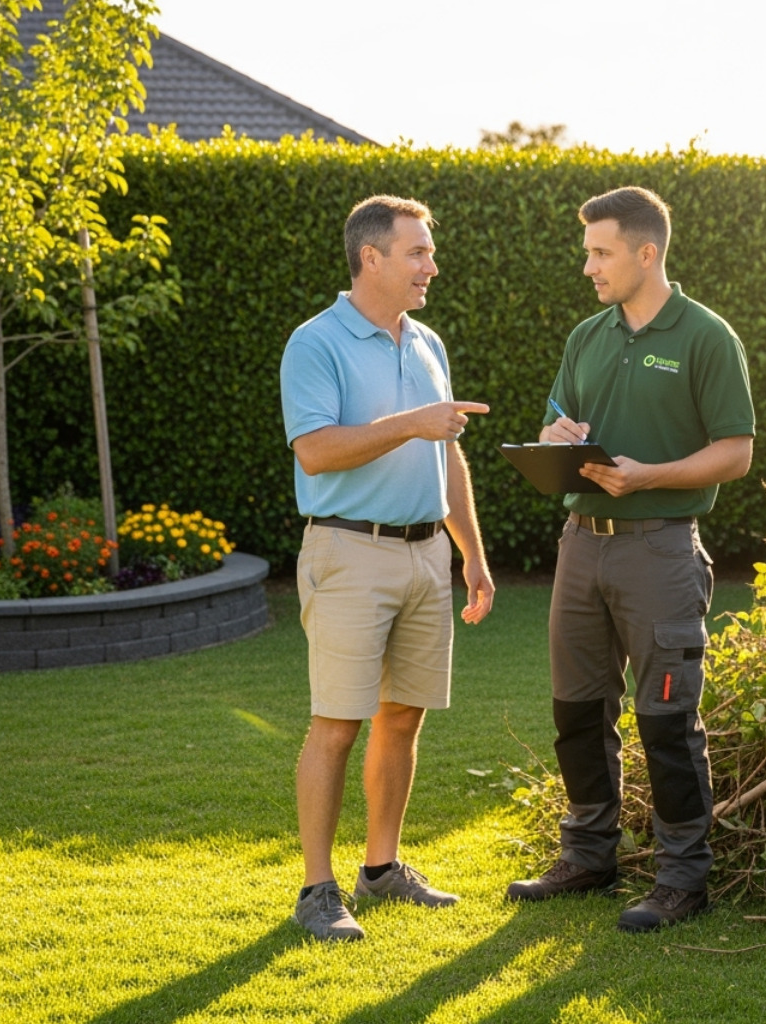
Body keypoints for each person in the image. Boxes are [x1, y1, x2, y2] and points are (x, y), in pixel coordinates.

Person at [507, 186, 756, 932]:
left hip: (660, 550)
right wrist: (555, 437)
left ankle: (683, 877)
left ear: (647, 253)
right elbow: (558, 417)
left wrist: (648, 475)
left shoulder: (707, 336)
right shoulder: (587, 335)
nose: (589, 266)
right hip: (582, 545)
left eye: (601, 251)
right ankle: (588, 854)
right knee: (577, 710)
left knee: (668, 718)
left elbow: (736, 453)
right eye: (589, 252)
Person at [279, 194, 494, 942]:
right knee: (337, 725)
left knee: (402, 718)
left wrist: (471, 554)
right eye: (418, 253)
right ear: (371, 257)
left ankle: (381, 868)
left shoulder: (426, 341)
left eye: (428, 253)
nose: (431, 266)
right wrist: (412, 422)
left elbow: (448, 452)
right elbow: (316, 450)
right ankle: (316, 889)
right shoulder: (316, 342)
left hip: (425, 555)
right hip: (348, 550)